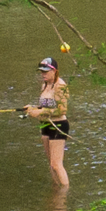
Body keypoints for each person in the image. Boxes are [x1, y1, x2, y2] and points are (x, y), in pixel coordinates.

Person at [28, 56, 70, 187]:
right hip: (45, 125)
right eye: (41, 71)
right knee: (51, 164)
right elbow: (43, 106)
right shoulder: (44, 85)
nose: (43, 74)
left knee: (56, 164)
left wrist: (39, 112)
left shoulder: (60, 86)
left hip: (58, 125)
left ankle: (65, 192)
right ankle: (56, 188)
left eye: (45, 72)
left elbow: (62, 110)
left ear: (55, 71)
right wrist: (31, 109)